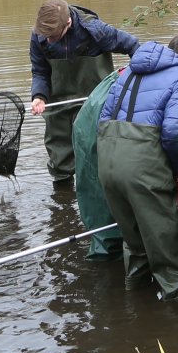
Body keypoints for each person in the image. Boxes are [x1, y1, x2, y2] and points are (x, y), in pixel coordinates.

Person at [97, 32, 178, 300]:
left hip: (108, 162)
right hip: (141, 164)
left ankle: (136, 310)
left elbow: (102, 118)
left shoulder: (127, 73)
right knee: (167, 243)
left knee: (135, 244)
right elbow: (173, 131)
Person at [31, 0, 139, 185]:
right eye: (45, 36)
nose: (47, 41)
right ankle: (63, 200)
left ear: (68, 23)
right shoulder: (40, 35)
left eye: (53, 37)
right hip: (59, 105)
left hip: (95, 103)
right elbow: (40, 71)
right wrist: (39, 97)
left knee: (96, 155)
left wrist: (133, 76)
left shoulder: (96, 31)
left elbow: (134, 47)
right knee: (59, 159)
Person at [68, 66, 127, 262]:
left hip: (93, 118)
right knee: (100, 193)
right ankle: (110, 254)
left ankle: (110, 262)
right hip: (97, 125)